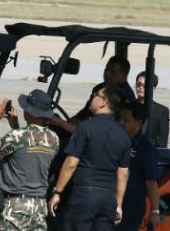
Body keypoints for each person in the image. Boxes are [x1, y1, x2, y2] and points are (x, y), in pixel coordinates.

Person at [48, 84, 131, 231]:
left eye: (95, 95)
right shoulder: (123, 136)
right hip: (108, 199)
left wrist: (57, 192)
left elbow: (71, 163)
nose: (92, 99)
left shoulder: (85, 128)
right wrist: (118, 204)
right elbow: (123, 174)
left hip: (84, 195)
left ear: (103, 102)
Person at [0, 91, 60, 231]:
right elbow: (29, 149)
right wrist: (16, 127)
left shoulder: (17, 137)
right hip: (39, 205)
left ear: (29, 112)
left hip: (16, 204)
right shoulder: (54, 139)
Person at [49, 55, 136, 134]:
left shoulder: (124, 98)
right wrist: (73, 121)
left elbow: (106, 128)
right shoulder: (100, 88)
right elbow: (86, 112)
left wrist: (65, 124)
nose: (107, 74)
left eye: (112, 72)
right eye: (106, 70)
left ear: (124, 75)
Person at [117, 101, 161, 231]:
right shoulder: (117, 141)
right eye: (120, 119)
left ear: (138, 122)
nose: (121, 122)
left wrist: (155, 212)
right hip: (112, 202)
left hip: (131, 206)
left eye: (126, 120)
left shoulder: (145, 148)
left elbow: (151, 182)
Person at [135, 71, 170, 148]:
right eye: (138, 84)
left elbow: (162, 140)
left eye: (145, 86)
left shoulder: (162, 111)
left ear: (153, 89)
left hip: (150, 154)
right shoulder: (127, 107)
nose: (140, 87)